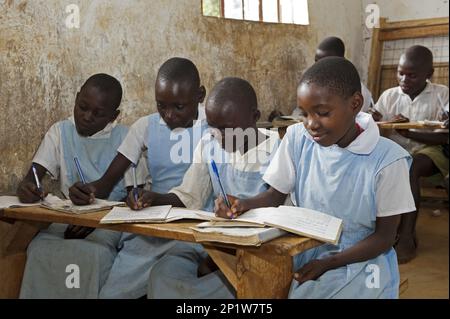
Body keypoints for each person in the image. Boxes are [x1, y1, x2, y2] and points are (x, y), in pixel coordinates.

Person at [218, 57, 415, 298]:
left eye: (322, 113)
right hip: (306, 249)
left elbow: (384, 238)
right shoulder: (297, 138)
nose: (311, 124)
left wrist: (331, 262)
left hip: (361, 260)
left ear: (355, 104)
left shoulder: (388, 160)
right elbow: (275, 195)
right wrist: (242, 204)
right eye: (304, 113)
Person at [69, 58, 210, 298]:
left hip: (197, 229)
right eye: (161, 105)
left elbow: (195, 195)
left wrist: (153, 198)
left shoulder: (213, 128)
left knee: (173, 286)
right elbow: (106, 182)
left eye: (179, 107)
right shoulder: (146, 126)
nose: (168, 115)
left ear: (200, 95)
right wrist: (87, 193)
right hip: (153, 228)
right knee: (113, 294)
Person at [141, 77, 281, 298]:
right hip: (213, 240)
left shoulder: (277, 150)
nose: (218, 135)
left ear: (254, 117)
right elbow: (189, 195)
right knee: (163, 273)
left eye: (226, 128)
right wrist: (152, 197)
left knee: (243, 285)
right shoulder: (209, 144)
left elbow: (281, 210)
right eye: (213, 126)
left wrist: (224, 253)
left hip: (257, 249)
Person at [17, 73, 143, 298]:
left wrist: (98, 218)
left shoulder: (126, 138)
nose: (86, 117)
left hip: (107, 226)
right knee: (39, 249)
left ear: (114, 116)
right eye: (82, 107)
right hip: (66, 220)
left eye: (98, 113)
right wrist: (27, 187)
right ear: (75, 99)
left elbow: (134, 196)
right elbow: (32, 177)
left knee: (92, 254)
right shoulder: (60, 132)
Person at [373, 45, 449, 263]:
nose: (404, 79)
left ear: (429, 74)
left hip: (430, 151)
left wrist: (409, 132)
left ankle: (406, 236)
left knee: (410, 167)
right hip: (395, 151)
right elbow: (377, 128)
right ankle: (380, 233)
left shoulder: (442, 95)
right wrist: (374, 119)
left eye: (412, 75)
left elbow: (444, 138)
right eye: (400, 73)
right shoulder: (389, 96)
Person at [291, 36, 374, 118]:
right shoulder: (313, 86)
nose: (320, 66)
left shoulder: (357, 91)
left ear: (341, 59)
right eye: (317, 61)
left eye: (327, 61)